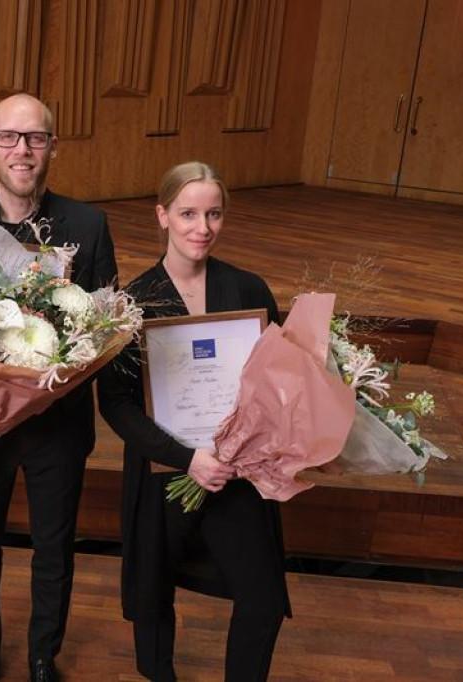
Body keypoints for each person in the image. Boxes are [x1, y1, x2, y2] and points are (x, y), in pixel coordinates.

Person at [0, 93, 118, 682]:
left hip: (57, 422)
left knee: (54, 548)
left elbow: (101, 332)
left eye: (34, 138)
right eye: (8, 136)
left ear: (53, 147)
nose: (22, 150)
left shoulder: (88, 225)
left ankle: (41, 658)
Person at [97, 161, 291, 681]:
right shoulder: (131, 304)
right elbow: (115, 403)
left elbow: (278, 383)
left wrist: (238, 449)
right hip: (165, 471)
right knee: (153, 597)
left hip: (236, 471)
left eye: (213, 214)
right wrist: (187, 459)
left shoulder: (249, 291)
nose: (202, 228)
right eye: (188, 214)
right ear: (162, 215)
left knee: (264, 598)